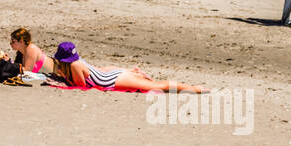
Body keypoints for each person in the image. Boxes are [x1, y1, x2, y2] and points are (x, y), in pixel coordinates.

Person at [47, 42, 207, 93]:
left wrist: (63, 79)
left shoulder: (74, 65)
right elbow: (97, 70)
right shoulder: (78, 61)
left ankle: (195, 89)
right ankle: (194, 88)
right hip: (110, 74)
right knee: (154, 84)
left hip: (112, 80)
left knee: (157, 86)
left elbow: (81, 86)